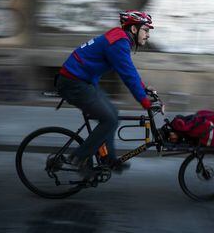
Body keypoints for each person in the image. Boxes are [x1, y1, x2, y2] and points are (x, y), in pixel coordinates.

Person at [55, 10, 155, 175]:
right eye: (146, 30)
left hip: (84, 81)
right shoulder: (119, 42)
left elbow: (128, 70)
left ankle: (108, 159)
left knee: (113, 114)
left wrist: (143, 88)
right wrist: (143, 100)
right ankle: (78, 158)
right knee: (108, 119)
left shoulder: (120, 39)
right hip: (73, 83)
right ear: (134, 29)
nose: (148, 35)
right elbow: (128, 74)